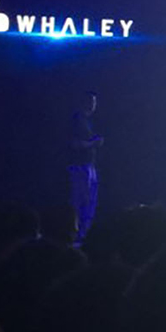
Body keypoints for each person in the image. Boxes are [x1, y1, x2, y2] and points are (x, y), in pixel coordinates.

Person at [68, 91, 103, 241]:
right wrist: (93, 143)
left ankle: (84, 234)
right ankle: (75, 234)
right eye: (90, 101)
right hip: (80, 166)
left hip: (89, 165)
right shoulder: (77, 120)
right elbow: (74, 144)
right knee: (80, 201)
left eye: (94, 102)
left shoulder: (88, 121)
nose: (93, 105)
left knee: (89, 202)